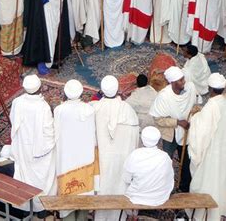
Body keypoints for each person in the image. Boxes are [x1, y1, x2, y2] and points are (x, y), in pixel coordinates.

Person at [188, 73, 226, 221]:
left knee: (207, 181)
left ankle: (204, 215)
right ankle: (220, 209)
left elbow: (201, 132)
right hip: (225, 151)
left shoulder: (210, 107)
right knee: (221, 179)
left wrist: (194, 117)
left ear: (210, 89)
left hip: (212, 153)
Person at [92, 75, 139, 221]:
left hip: (102, 161)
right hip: (122, 160)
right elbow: (134, 139)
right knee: (120, 187)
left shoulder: (94, 108)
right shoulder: (128, 110)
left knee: (103, 188)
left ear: (102, 90)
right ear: (118, 89)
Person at [10, 75, 56, 212]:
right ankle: (41, 207)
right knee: (43, 174)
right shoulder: (43, 107)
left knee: (24, 175)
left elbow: (13, 121)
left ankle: (24, 207)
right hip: (39, 148)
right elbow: (49, 133)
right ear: (40, 88)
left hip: (23, 146)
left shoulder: (17, 102)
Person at [149, 66, 199, 192]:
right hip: (170, 134)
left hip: (187, 132)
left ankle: (184, 187)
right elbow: (158, 120)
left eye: (183, 79)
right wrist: (177, 122)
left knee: (187, 161)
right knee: (166, 161)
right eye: (180, 81)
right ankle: (166, 187)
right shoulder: (164, 96)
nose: (183, 82)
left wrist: (193, 114)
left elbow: (196, 104)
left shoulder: (190, 88)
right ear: (172, 83)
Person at [54, 79, 96, 220]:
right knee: (84, 196)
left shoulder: (59, 110)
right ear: (81, 94)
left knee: (69, 198)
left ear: (65, 94)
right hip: (85, 158)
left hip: (67, 159)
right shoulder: (89, 110)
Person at [23, 0, 71, 75]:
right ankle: (43, 61)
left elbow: (61, 0)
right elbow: (38, 4)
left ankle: (53, 58)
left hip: (55, 17)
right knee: (44, 38)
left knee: (53, 37)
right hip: (43, 18)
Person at [123, 126, 174, 207]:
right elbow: (170, 179)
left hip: (136, 197)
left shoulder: (135, 154)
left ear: (142, 139)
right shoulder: (165, 157)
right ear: (158, 140)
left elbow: (126, 179)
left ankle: (131, 215)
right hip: (160, 198)